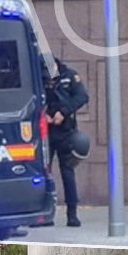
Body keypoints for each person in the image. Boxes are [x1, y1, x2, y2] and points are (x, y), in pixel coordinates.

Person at [44, 59, 91, 228]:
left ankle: (72, 214)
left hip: (65, 131)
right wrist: (43, 115)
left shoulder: (69, 76)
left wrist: (63, 112)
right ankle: (45, 214)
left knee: (68, 173)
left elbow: (82, 96)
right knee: (44, 174)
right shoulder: (39, 76)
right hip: (45, 132)